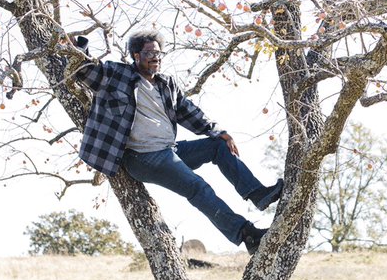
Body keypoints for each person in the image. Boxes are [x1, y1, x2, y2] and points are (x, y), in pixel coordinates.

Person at [75, 28, 283, 254]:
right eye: (149, 53)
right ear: (136, 56)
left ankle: (258, 194)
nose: (155, 57)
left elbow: (189, 112)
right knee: (198, 187)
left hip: (169, 150)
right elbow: (85, 70)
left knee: (217, 146)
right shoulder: (117, 75)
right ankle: (247, 234)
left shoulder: (166, 84)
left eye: (158, 53)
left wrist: (219, 131)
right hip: (143, 157)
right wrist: (79, 44)